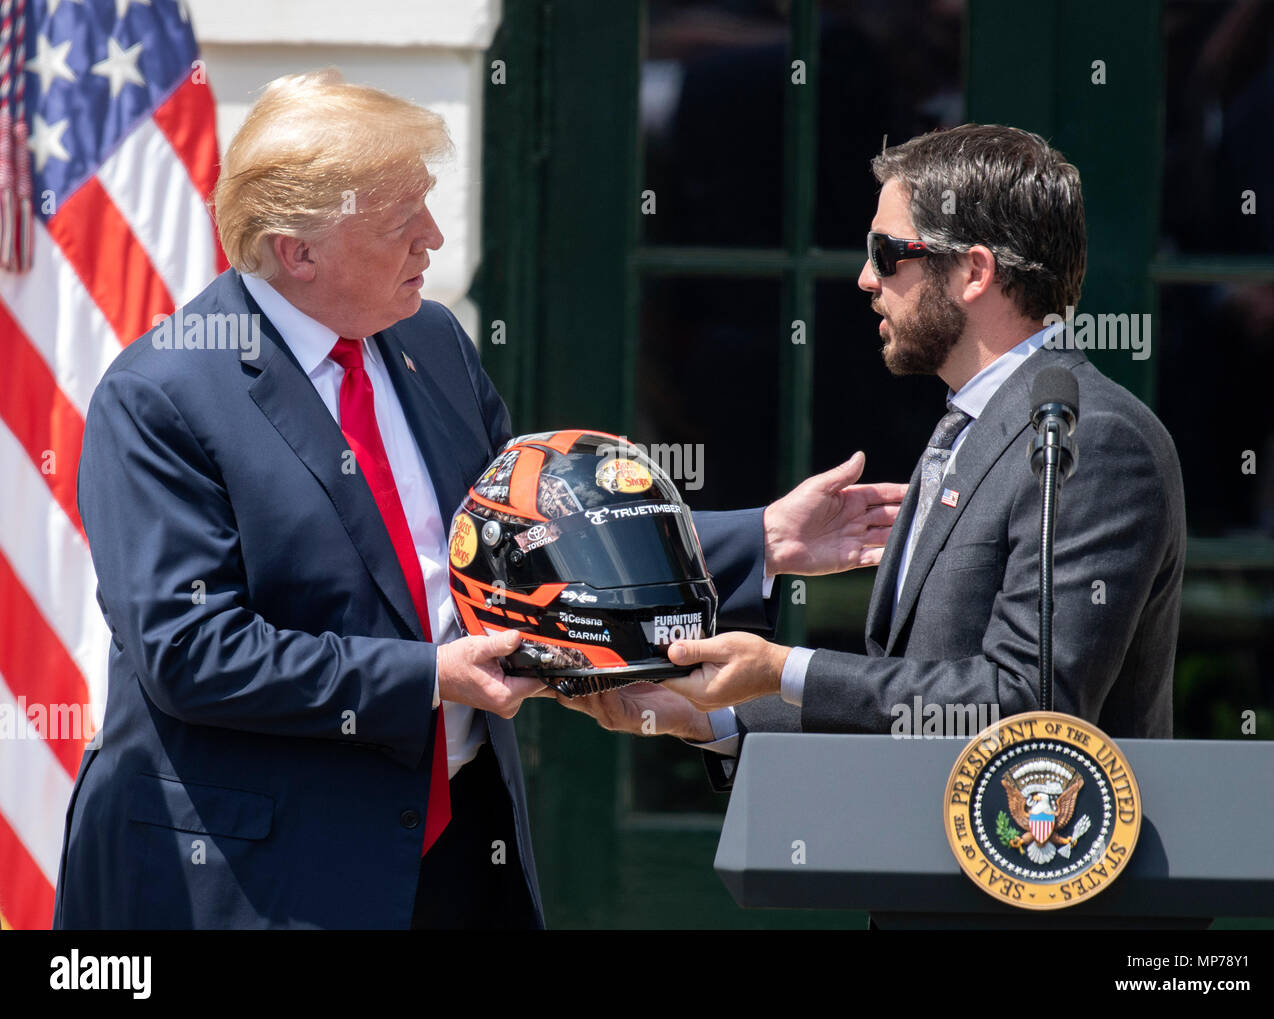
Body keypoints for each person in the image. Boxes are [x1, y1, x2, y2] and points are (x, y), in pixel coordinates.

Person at [53, 70, 904, 929]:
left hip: (456, 850)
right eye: (400, 222)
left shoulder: (426, 337)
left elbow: (523, 541)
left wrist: (761, 538)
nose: (432, 237)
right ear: (295, 252)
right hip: (260, 875)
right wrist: (431, 675)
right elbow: (190, 653)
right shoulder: (162, 395)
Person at [561, 124, 1186, 782]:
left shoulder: (1092, 436)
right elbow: (907, 702)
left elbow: (1026, 705)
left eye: (886, 254)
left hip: (1030, 871)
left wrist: (785, 669)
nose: (864, 278)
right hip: (926, 866)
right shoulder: (969, 423)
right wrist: (708, 718)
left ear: (975, 271)